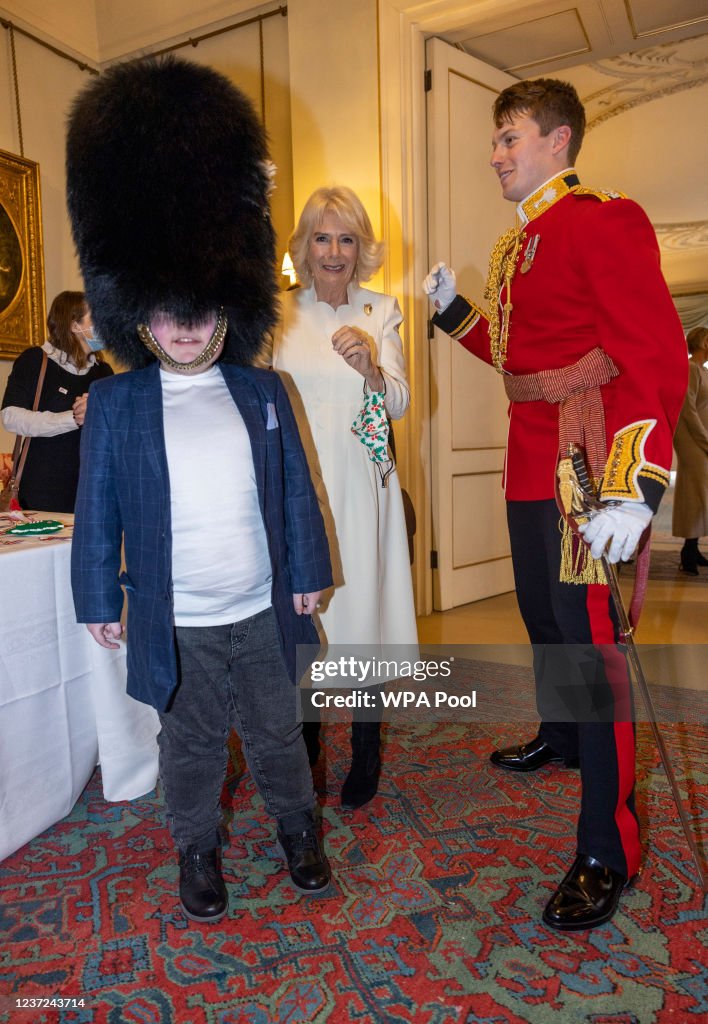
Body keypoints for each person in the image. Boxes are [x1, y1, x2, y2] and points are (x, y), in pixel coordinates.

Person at [66, 56, 333, 925]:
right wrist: (96, 598)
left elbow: (295, 490)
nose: (185, 326)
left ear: (230, 307)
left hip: (260, 607)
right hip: (176, 617)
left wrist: (309, 573)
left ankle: (298, 828)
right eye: (167, 311)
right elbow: (97, 513)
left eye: (202, 309)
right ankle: (196, 847)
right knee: (188, 744)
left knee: (278, 732)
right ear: (136, 314)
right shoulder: (117, 404)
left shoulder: (262, 391)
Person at [423, 78, 687, 930]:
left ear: (557, 139)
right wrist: (454, 313)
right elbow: (517, 356)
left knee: (594, 653)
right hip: (528, 455)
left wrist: (636, 484)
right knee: (543, 617)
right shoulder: (519, 243)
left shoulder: (603, 219)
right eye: (496, 140)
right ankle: (561, 734)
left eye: (509, 138)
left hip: (585, 459)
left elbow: (653, 353)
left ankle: (609, 847)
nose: (495, 155)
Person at [272, 186, 417, 811]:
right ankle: (305, 748)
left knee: (360, 613)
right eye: (322, 238)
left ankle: (366, 745)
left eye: (347, 239)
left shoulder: (381, 310)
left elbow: (399, 403)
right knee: (304, 618)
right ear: (305, 247)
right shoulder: (278, 314)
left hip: (361, 484)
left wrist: (371, 370)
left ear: (362, 249)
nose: (334, 251)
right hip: (297, 484)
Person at [1, 291, 112, 512]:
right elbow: (10, 417)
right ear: (74, 325)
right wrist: (74, 418)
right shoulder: (35, 360)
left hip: (92, 488)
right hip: (41, 489)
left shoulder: (103, 372)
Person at [672, 326, 708, 575]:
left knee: (699, 494)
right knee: (694, 493)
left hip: (701, 438)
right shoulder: (691, 368)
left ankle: (692, 548)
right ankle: (688, 552)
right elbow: (689, 409)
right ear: (703, 343)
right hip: (692, 440)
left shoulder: (703, 370)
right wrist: (705, 439)